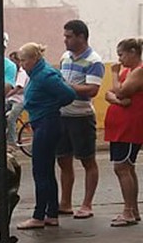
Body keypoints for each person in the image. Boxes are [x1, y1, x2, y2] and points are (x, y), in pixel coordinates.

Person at [16, 43, 76, 230]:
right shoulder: (38, 74)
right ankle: (51, 213)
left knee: (40, 170)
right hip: (43, 123)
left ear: (34, 58)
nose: (22, 64)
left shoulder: (44, 76)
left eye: (24, 60)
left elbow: (68, 94)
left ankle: (39, 215)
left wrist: (50, 106)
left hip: (47, 123)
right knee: (47, 171)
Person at [57, 20, 105, 219]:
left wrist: (68, 88)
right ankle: (65, 202)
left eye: (69, 36)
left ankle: (87, 204)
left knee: (87, 160)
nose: (65, 40)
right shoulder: (65, 57)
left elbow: (92, 90)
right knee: (63, 160)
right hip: (62, 116)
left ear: (81, 37)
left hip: (81, 117)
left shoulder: (94, 61)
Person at [104, 38, 143, 227]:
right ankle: (133, 209)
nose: (119, 59)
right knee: (127, 167)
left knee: (122, 167)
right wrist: (118, 100)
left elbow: (120, 91)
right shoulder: (128, 71)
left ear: (133, 52)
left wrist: (114, 73)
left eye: (121, 54)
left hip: (129, 127)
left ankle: (128, 211)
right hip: (120, 126)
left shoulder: (138, 71)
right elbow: (110, 94)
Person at [6, 51, 29, 147]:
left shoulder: (22, 73)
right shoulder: (12, 72)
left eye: (13, 61)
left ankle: (12, 141)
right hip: (11, 99)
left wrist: (6, 95)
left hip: (20, 100)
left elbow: (17, 88)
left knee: (11, 119)